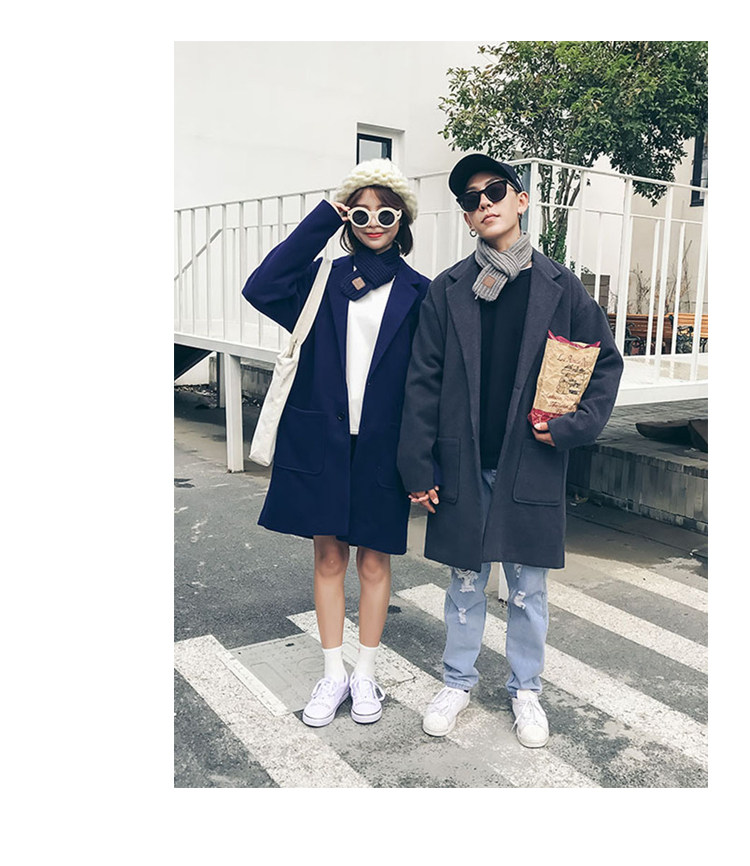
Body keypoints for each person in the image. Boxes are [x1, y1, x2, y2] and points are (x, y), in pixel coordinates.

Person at [397, 153, 623, 747]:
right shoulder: (449, 289)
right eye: (471, 200)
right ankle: (457, 682)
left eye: (494, 190)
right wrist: (417, 463)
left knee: (528, 588)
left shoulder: (560, 287)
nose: (484, 203)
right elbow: (422, 381)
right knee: (464, 583)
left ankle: (526, 690)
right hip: (464, 461)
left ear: (520, 200)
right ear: (467, 218)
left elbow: (603, 363)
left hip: (532, 460)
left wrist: (573, 427)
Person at [243, 159, 430, 729]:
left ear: (402, 221)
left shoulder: (421, 292)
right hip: (321, 438)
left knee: (374, 560)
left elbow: (430, 382)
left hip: (384, 446)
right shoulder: (322, 280)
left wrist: (426, 460)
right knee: (328, 557)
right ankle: (333, 673)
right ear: (350, 218)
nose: (374, 222)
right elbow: (261, 286)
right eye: (362, 212)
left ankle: (365, 673)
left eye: (386, 213)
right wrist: (325, 216)